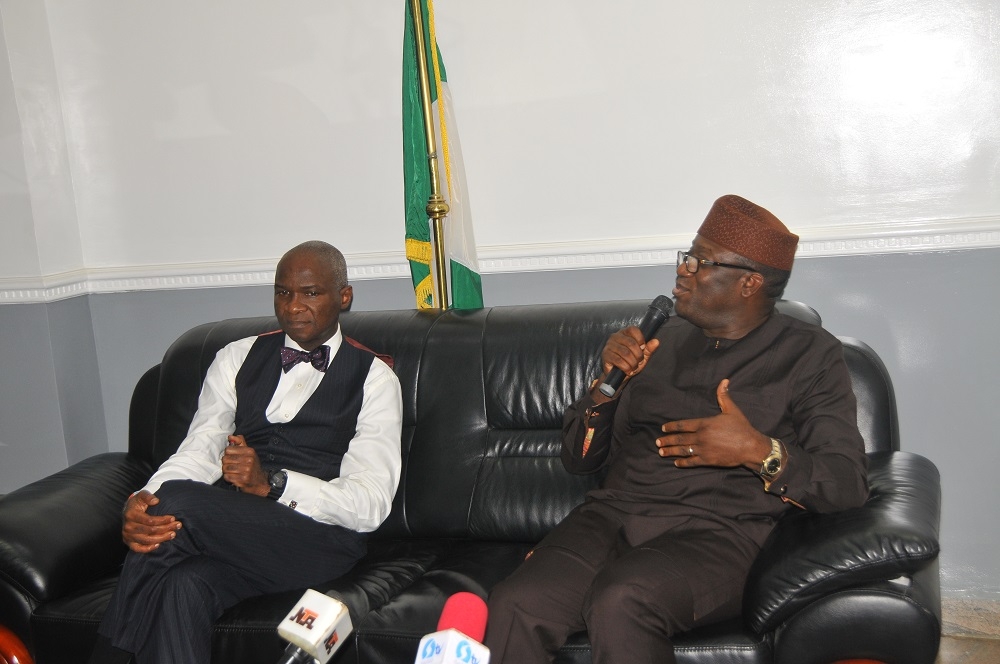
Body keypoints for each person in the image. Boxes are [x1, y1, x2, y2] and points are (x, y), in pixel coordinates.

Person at [484, 195, 869, 663]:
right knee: (515, 602)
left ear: (750, 283)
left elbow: (846, 483)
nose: (682, 270)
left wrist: (758, 451)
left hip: (720, 534)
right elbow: (579, 459)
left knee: (622, 599)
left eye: (699, 262)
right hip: (612, 517)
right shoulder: (658, 342)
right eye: (687, 257)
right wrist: (604, 389)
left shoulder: (810, 355)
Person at [88, 240, 403, 664]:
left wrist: (273, 485)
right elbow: (199, 450)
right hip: (238, 537)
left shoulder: (375, 379)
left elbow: (370, 504)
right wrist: (141, 502)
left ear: (343, 296)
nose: (293, 306)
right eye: (283, 292)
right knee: (184, 585)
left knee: (179, 499)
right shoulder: (235, 357)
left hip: (319, 541)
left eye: (311, 293)